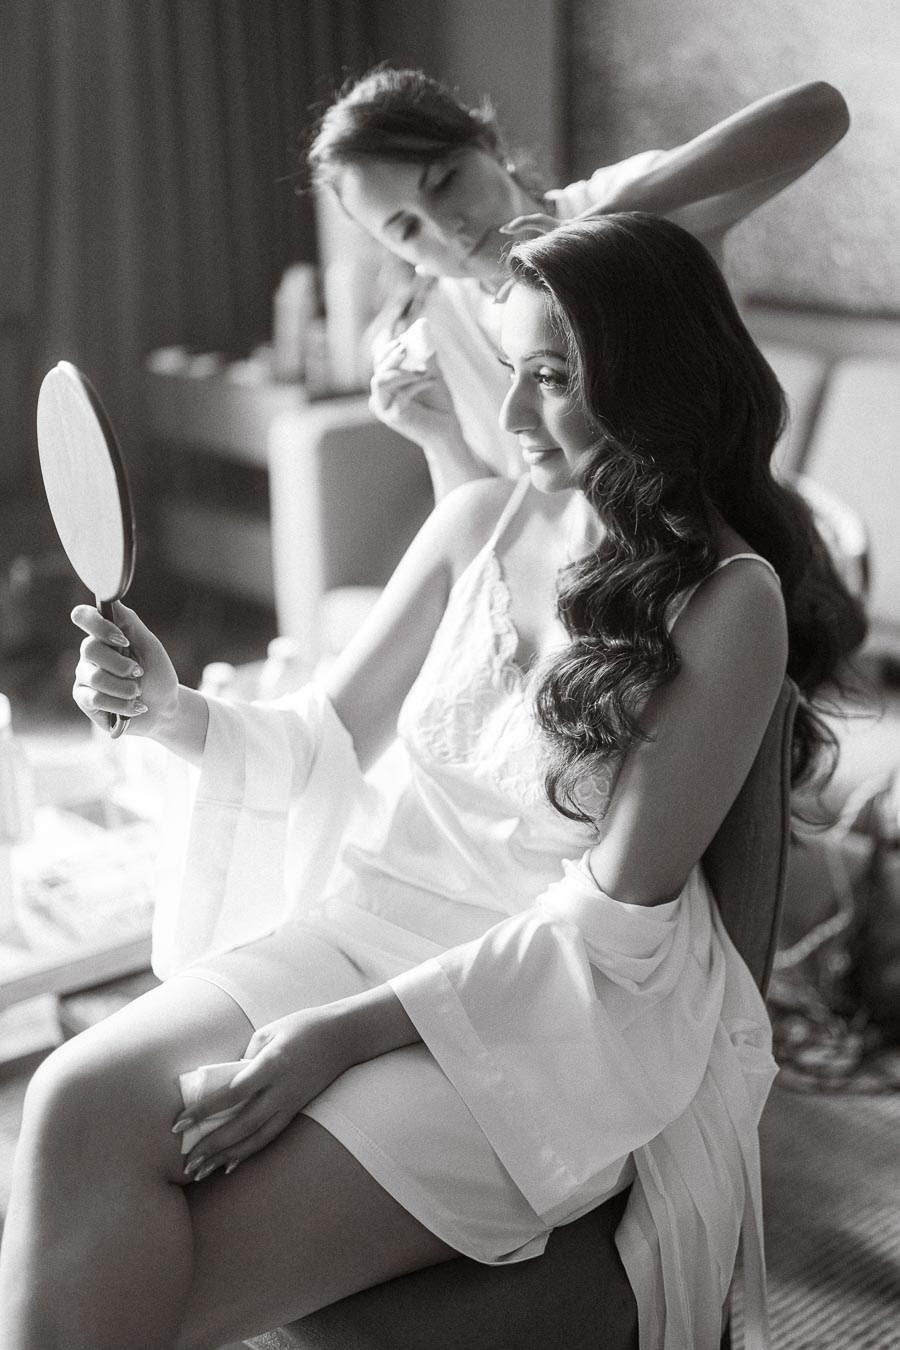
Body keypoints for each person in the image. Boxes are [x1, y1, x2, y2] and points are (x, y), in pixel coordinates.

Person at [0, 214, 865, 1350]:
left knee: (179, 1259)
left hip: (538, 1011)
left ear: (658, 378)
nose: (508, 415)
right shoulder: (482, 517)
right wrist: (170, 710)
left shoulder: (728, 602)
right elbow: (323, 736)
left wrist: (337, 1036)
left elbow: (608, 928)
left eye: (552, 378)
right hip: (364, 924)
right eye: (511, 370)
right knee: (72, 1098)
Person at [307, 66, 850, 500]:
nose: (446, 227)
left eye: (445, 181)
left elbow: (821, 111)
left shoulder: (618, 210)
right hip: (577, 580)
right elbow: (489, 531)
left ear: (490, 144)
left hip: (711, 544)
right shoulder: (437, 329)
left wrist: (593, 229)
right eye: (405, 227)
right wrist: (438, 436)